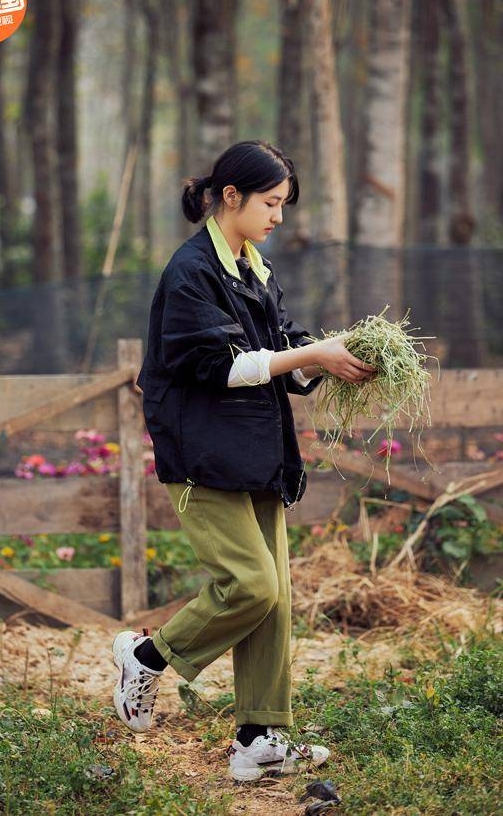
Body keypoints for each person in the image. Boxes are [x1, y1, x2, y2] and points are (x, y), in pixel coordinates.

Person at [111, 140, 377, 782]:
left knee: (276, 599)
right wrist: (310, 356)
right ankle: (147, 657)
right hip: (202, 451)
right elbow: (219, 365)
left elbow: (276, 348)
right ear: (230, 196)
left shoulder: (251, 265)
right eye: (270, 203)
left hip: (258, 449)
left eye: (283, 204)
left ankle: (260, 739)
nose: (278, 217)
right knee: (251, 585)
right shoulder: (191, 272)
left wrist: (332, 359)